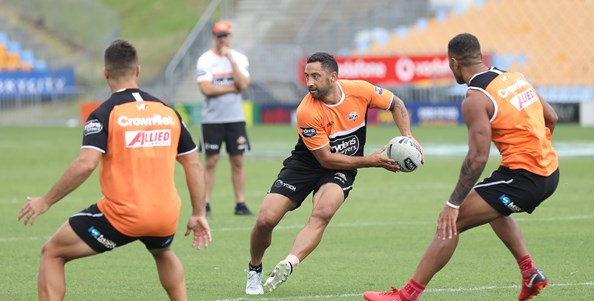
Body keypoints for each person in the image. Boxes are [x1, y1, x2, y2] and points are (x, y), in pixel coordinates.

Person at [363, 33, 559, 301]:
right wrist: (538, 152)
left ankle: (406, 296)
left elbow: (477, 158)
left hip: (525, 177)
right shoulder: (514, 78)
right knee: (492, 205)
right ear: (479, 56)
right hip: (549, 170)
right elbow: (551, 117)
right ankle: (530, 273)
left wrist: (452, 204)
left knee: (450, 223)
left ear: (454, 63)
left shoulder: (475, 99)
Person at [17, 39, 212, 301]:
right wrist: (199, 213)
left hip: (123, 214)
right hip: (165, 213)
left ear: (105, 72)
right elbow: (193, 163)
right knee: (162, 251)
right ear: (138, 71)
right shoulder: (168, 112)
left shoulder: (105, 114)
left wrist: (46, 201)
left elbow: (85, 163)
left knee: (52, 252)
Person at [245, 52, 423, 295]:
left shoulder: (360, 90)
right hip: (307, 163)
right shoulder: (306, 110)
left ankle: (289, 262)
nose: (309, 82)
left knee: (323, 211)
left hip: (343, 166)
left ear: (333, 77)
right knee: (266, 219)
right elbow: (326, 159)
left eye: (315, 76)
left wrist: (408, 136)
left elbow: (396, 104)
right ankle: (254, 269)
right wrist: (370, 161)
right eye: (307, 76)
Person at [196, 20, 253, 216]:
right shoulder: (205, 59)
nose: (222, 39)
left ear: (230, 36)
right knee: (210, 161)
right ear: (214, 37)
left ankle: (240, 203)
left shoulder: (239, 58)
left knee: (237, 161)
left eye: (225, 35)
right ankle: (205, 203)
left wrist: (231, 61)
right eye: (219, 36)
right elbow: (206, 88)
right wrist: (231, 88)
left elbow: (244, 84)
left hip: (235, 118)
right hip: (212, 119)